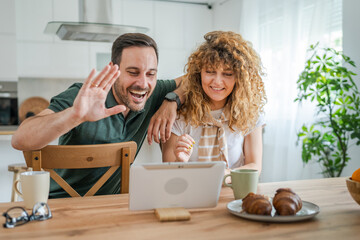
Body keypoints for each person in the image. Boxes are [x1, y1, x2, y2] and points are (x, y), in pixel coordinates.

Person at [11, 33, 183, 198]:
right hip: (60, 207)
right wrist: (75, 115)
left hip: (112, 209)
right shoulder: (83, 96)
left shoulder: (152, 93)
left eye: (151, 74)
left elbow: (193, 78)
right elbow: (20, 139)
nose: (143, 83)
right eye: (132, 72)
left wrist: (172, 100)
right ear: (113, 69)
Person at [161, 31, 266, 175]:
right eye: (210, 71)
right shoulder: (179, 115)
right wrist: (180, 162)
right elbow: (168, 173)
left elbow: (254, 166)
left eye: (227, 74)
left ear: (240, 78)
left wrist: (222, 175)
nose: (217, 82)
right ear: (199, 73)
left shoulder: (249, 113)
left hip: (234, 194)